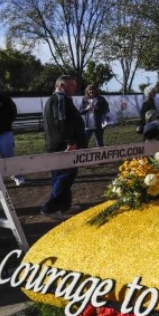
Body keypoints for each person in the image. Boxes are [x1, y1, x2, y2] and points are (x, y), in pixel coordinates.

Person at [41, 75, 87, 219]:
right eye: (72, 85)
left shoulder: (56, 100)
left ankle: (64, 205)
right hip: (63, 145)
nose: (75, 87)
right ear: (61, 85)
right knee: (65, 176)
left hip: (57, 144)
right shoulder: (60, 100)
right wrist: (70, 142)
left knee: (62, 175)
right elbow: (61, 121)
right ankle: (51, 207)